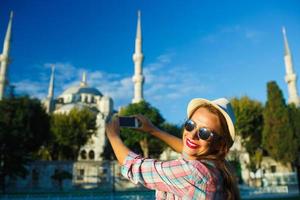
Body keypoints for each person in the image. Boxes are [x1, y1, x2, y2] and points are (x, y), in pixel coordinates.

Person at [105, 97, 240, 199]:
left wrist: (112, 135)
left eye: (204, 133)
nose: (192, 135)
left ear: (219, 144)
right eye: (190, 125)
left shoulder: (192, 173)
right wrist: (153, 130)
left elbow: (134, 166)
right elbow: (188, 147)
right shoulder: (220, 167)